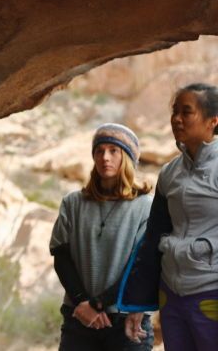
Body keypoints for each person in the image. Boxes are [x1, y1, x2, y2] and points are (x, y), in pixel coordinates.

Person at [119, 83, 218, 350]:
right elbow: (153, 237)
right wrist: (138, 303)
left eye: (187, 112)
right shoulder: (169, 173)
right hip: (171, 296)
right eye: (175, 111)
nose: (176, 119)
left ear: (213, 121)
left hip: (211, 291)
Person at [49, 123, 154, 350]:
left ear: (127, 157)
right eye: (99, 150)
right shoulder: (73, 203)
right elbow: (60, 254)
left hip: (127, 321)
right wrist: (82, 303)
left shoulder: (146, 207)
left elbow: (142, 266)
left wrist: (97, 304)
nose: (105, 157)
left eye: (113, 150)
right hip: (79, 319)